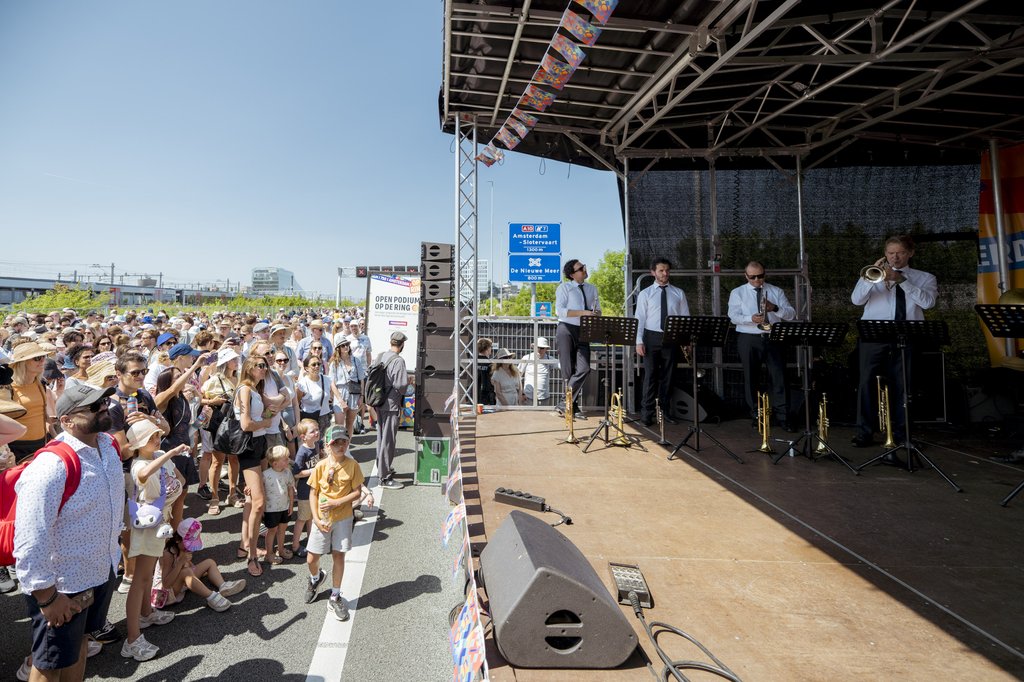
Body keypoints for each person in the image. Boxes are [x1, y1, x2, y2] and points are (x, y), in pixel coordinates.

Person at [13, 383, 123, 681]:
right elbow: (29, 539)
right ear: (67, 420)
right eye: (93, 407)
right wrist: (47, 598)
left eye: (103, 403)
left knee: (80, 648)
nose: (103, 408)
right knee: (49, 664)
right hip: (64, 584)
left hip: (100, 571)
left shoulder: (108, 445)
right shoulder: (51, 465)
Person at [850, 235, 937, 455]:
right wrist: (870, 279)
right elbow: (856, 300)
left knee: (904, 386)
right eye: (890, 253)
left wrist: (901, 280)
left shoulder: (925, 278)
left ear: (910, 253)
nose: (894, 257)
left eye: (899, 253)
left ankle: (902, 434)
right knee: (866, 383)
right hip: (874, 336)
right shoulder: (872, 274)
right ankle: (864, 433)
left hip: (907, 336)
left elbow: (928, 302)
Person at [122, 420, 185, 661]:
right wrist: (169, 453)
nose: (156, 440)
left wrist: (166, 456)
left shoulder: (158, 456)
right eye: (150, 437)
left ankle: (147, 614)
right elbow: (144, 473)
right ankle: (132, 639)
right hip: (148, 526)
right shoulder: (140, 462)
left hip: (160, 523)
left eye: (157, 435)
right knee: (141, 578)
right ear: (138, 443)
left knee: (147, 575)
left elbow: (178, 480)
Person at [303, 425, 373, 621]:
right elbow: (313, 493)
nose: (340, 446)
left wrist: (337, 502)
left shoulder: (353, 465)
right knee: (311, 558)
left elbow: (357, 492)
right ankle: (316, 578)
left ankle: (335, 595)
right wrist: (315, 518)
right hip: (322, 519)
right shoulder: (321, 466)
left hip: (342, 518)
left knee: (338, 556)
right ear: (327, 445)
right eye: (336, 443)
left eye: (344, 442)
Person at [728, 261, 797, 430]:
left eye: (760, 276)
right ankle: (757, 415)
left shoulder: (775, 291)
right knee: (751, 378)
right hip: (749, 337)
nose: (757, 280)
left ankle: (783, 417)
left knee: (779, 378)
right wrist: (750, 319)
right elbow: (733, 316)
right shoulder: (738, 292)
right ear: (746, 276)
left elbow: (791, 314)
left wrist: (775, 308)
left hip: (773, 337)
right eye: (753, 277)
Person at [635, 257, 690, 426]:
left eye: (667, 270)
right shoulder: (645, 294)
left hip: (672, 338)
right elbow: (640, 318)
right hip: (651, 338)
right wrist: (638, 341)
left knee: (669, 376)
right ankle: (646, 414)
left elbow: (685, 318)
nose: (665, 273)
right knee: (650, 377)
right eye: (661, 270)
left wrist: (686, 341)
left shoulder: (678, 293)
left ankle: (665, 412)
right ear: (653, 272)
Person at [234, 355, 274, 577]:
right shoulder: (245, 390)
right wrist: (266, 422)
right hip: (249, 447)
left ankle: (245, 545)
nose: (264, 369)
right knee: (259, 502)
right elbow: (246, 424)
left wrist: (269, 413)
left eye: (265, 366)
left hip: (259, 443)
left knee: (252, 500)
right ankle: (251, 555)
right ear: (249, 368)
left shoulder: (255, 390)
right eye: (260, 366)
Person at [153, 519, 245, 613]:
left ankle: (223, 586)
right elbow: (166, 584)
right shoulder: (168, 553)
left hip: (179, 583)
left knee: (209, 562)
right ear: (177, 540)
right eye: (188, 544)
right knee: (186, 572)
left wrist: (194, 570)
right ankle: (211, 596)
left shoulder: (181, 548)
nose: (190, 548)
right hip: (164, 595)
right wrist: (181, 562)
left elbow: (187, 567)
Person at [555, 259, 600, 415]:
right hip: (566, 329)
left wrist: (596, 313)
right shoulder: (564, 288)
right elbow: (560, 311)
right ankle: (571, 406)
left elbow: (598, 309)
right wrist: (584, 313)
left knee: (584, 368)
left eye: (584, 266)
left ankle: (564, 402)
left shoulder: (592, 288)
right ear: (572, 275)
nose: (584, 269)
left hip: (584, 330)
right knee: (568, 371)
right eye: (581, 268)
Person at [5, 342, 54, 461]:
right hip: (16, 447)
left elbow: (40, 413)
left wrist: (51, 426)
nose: (42, 361)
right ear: (23, 363)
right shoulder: (7, 388)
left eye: (44, 357)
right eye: (37, 358)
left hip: (41, 444)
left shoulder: (41, 383)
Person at [375, 332, 410, 490]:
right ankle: (384, 477)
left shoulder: (381, 356)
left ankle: (382, 468)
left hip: (379, 401)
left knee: (382, 437)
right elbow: (402, 386)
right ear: (402, 344)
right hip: (391, 404)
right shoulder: (399, 361)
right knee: (388, 440)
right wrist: (410, 381)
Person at [290, 419, 322, 559]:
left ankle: (311, 541)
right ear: (303, 437)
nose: (317, 433)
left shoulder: (315, 445)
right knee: (302, 519)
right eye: (313, 431)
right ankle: (295, 545)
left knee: (311, 517)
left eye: (317, 429)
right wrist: (313, 470)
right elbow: (296, 473)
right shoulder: (302, 452)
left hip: (313, 488)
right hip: (304, 491)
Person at [262, 445, 296, 565]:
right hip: (271, 509)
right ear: (275, 463)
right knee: (272, 530)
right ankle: (269, 553)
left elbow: (290, 488)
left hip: (284, 507)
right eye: (285, 459)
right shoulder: (265, 475)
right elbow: (262, 492)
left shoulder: (287, 472)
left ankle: (280, 549)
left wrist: (291, 504)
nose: (288, 460)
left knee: (283, 529)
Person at [328, 339, 366, 436]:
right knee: (339, 425)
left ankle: (347, 447)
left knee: (350, 423)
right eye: (343, 345)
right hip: (340, 393)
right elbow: (332, 383)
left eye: (347, 344)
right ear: (338, 348)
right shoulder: (334, 363)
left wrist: (362, 396)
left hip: (354, 393)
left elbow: (361, 380)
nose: (345, 347)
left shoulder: (356, 360)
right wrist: (340, 400)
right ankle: (338, 449)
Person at [296, 354, 334, 434]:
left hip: (325, 417)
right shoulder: (302, 384)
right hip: (309, 420)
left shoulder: (327, 379)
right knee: (313, 444)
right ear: (306, 368)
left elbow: (331, 394)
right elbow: (297, 403)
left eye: (318, 364)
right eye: (313, 365)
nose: (317, 366)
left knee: (325, 444)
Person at [518, 337, 551, 406]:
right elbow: (518, 376)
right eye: (537, 347)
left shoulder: (549, 359)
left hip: (544, 397)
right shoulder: (527, 358)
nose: (539, 350)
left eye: (542, 348)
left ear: (546, 349)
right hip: (528, 397)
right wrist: (522, 393)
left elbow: (562, 365)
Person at [476, 338, 496, 405]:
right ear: (487, 348)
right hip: (486, 396)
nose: (491, 349)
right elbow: (493, 381)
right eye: (490, 347)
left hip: (473, 394)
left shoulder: (472, 362)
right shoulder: (490, 363)